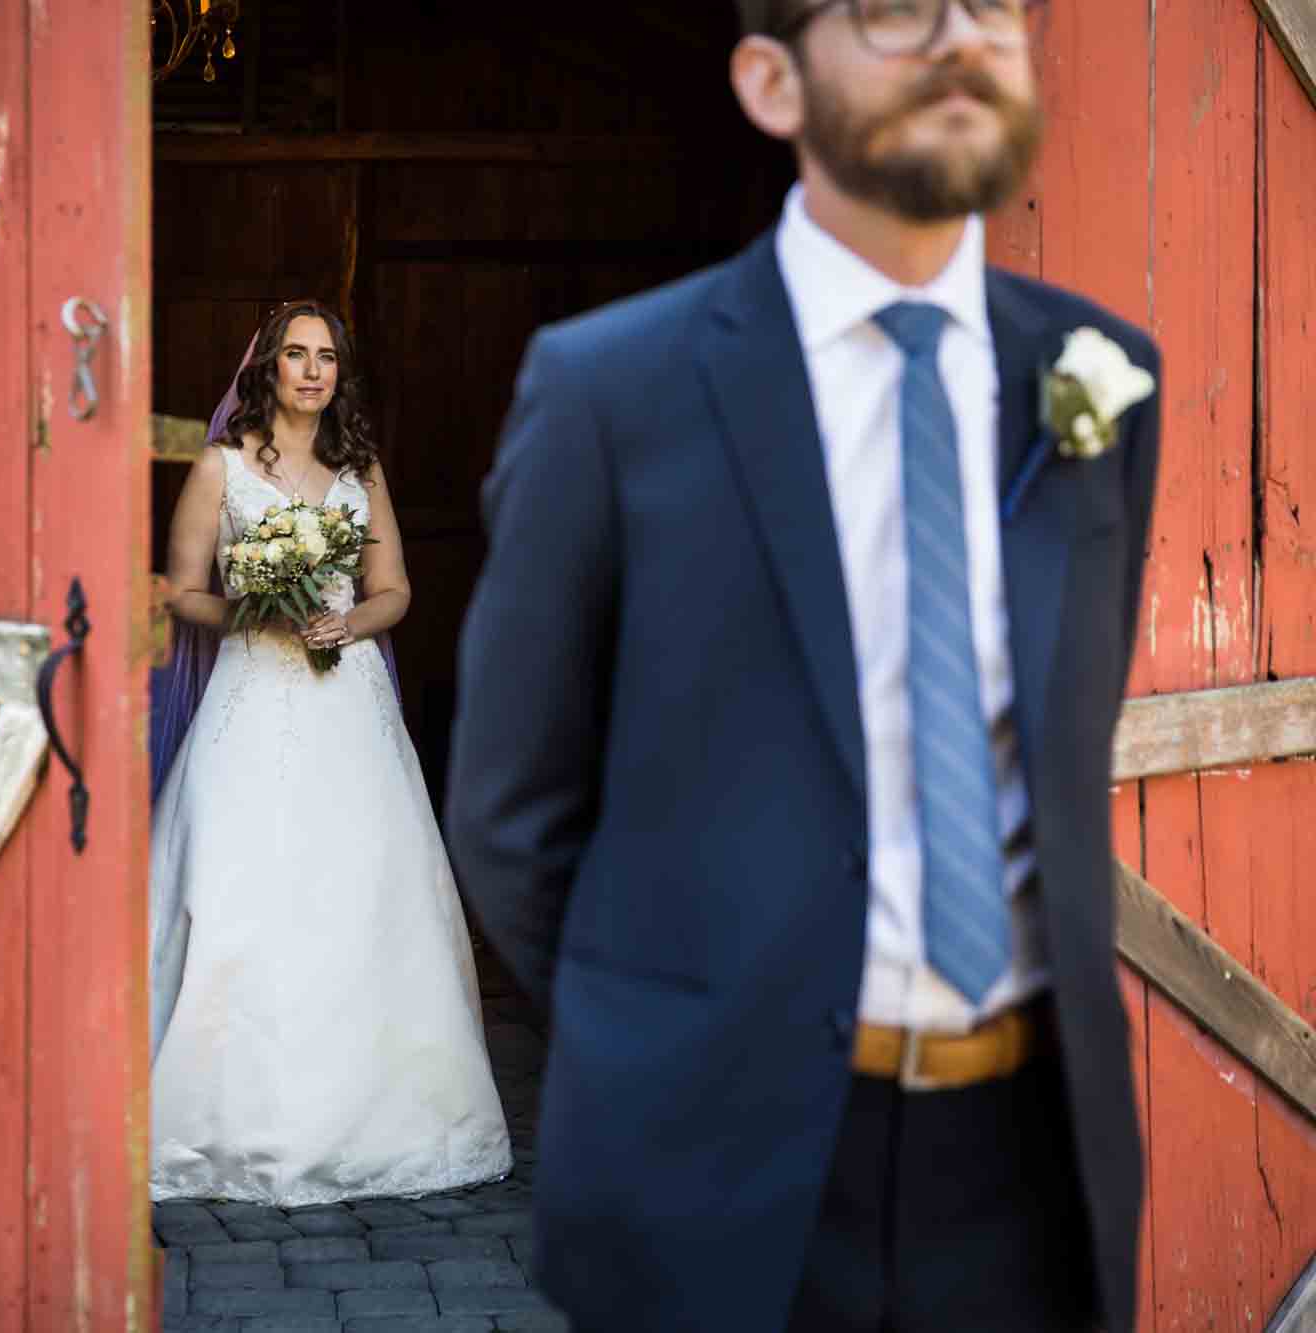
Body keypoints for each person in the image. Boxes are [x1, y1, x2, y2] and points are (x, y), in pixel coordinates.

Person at [446, 1, 1160, 1328]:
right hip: (717, 1171)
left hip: (1036, 1174)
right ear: (771, 81)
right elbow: (509, 812)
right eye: (898, 9)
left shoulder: (1103, 379)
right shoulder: (611, 392)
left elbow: (1068, 736)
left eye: (995, 7)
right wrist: (680, 1026)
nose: (967, 40)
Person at [148, 300, 512, 1206]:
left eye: (327, 359)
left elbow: (395, 589)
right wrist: (251, 607)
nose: (312, 371)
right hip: (251, 696)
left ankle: (387, 1118)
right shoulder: (221, 468)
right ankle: (227, 1121)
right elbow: (180, 590)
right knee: (240, 889)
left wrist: (344, 619)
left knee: (367, 892)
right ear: (266, 367)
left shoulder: (360, 470)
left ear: (339, 376)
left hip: (349, 702)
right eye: (296, 355)